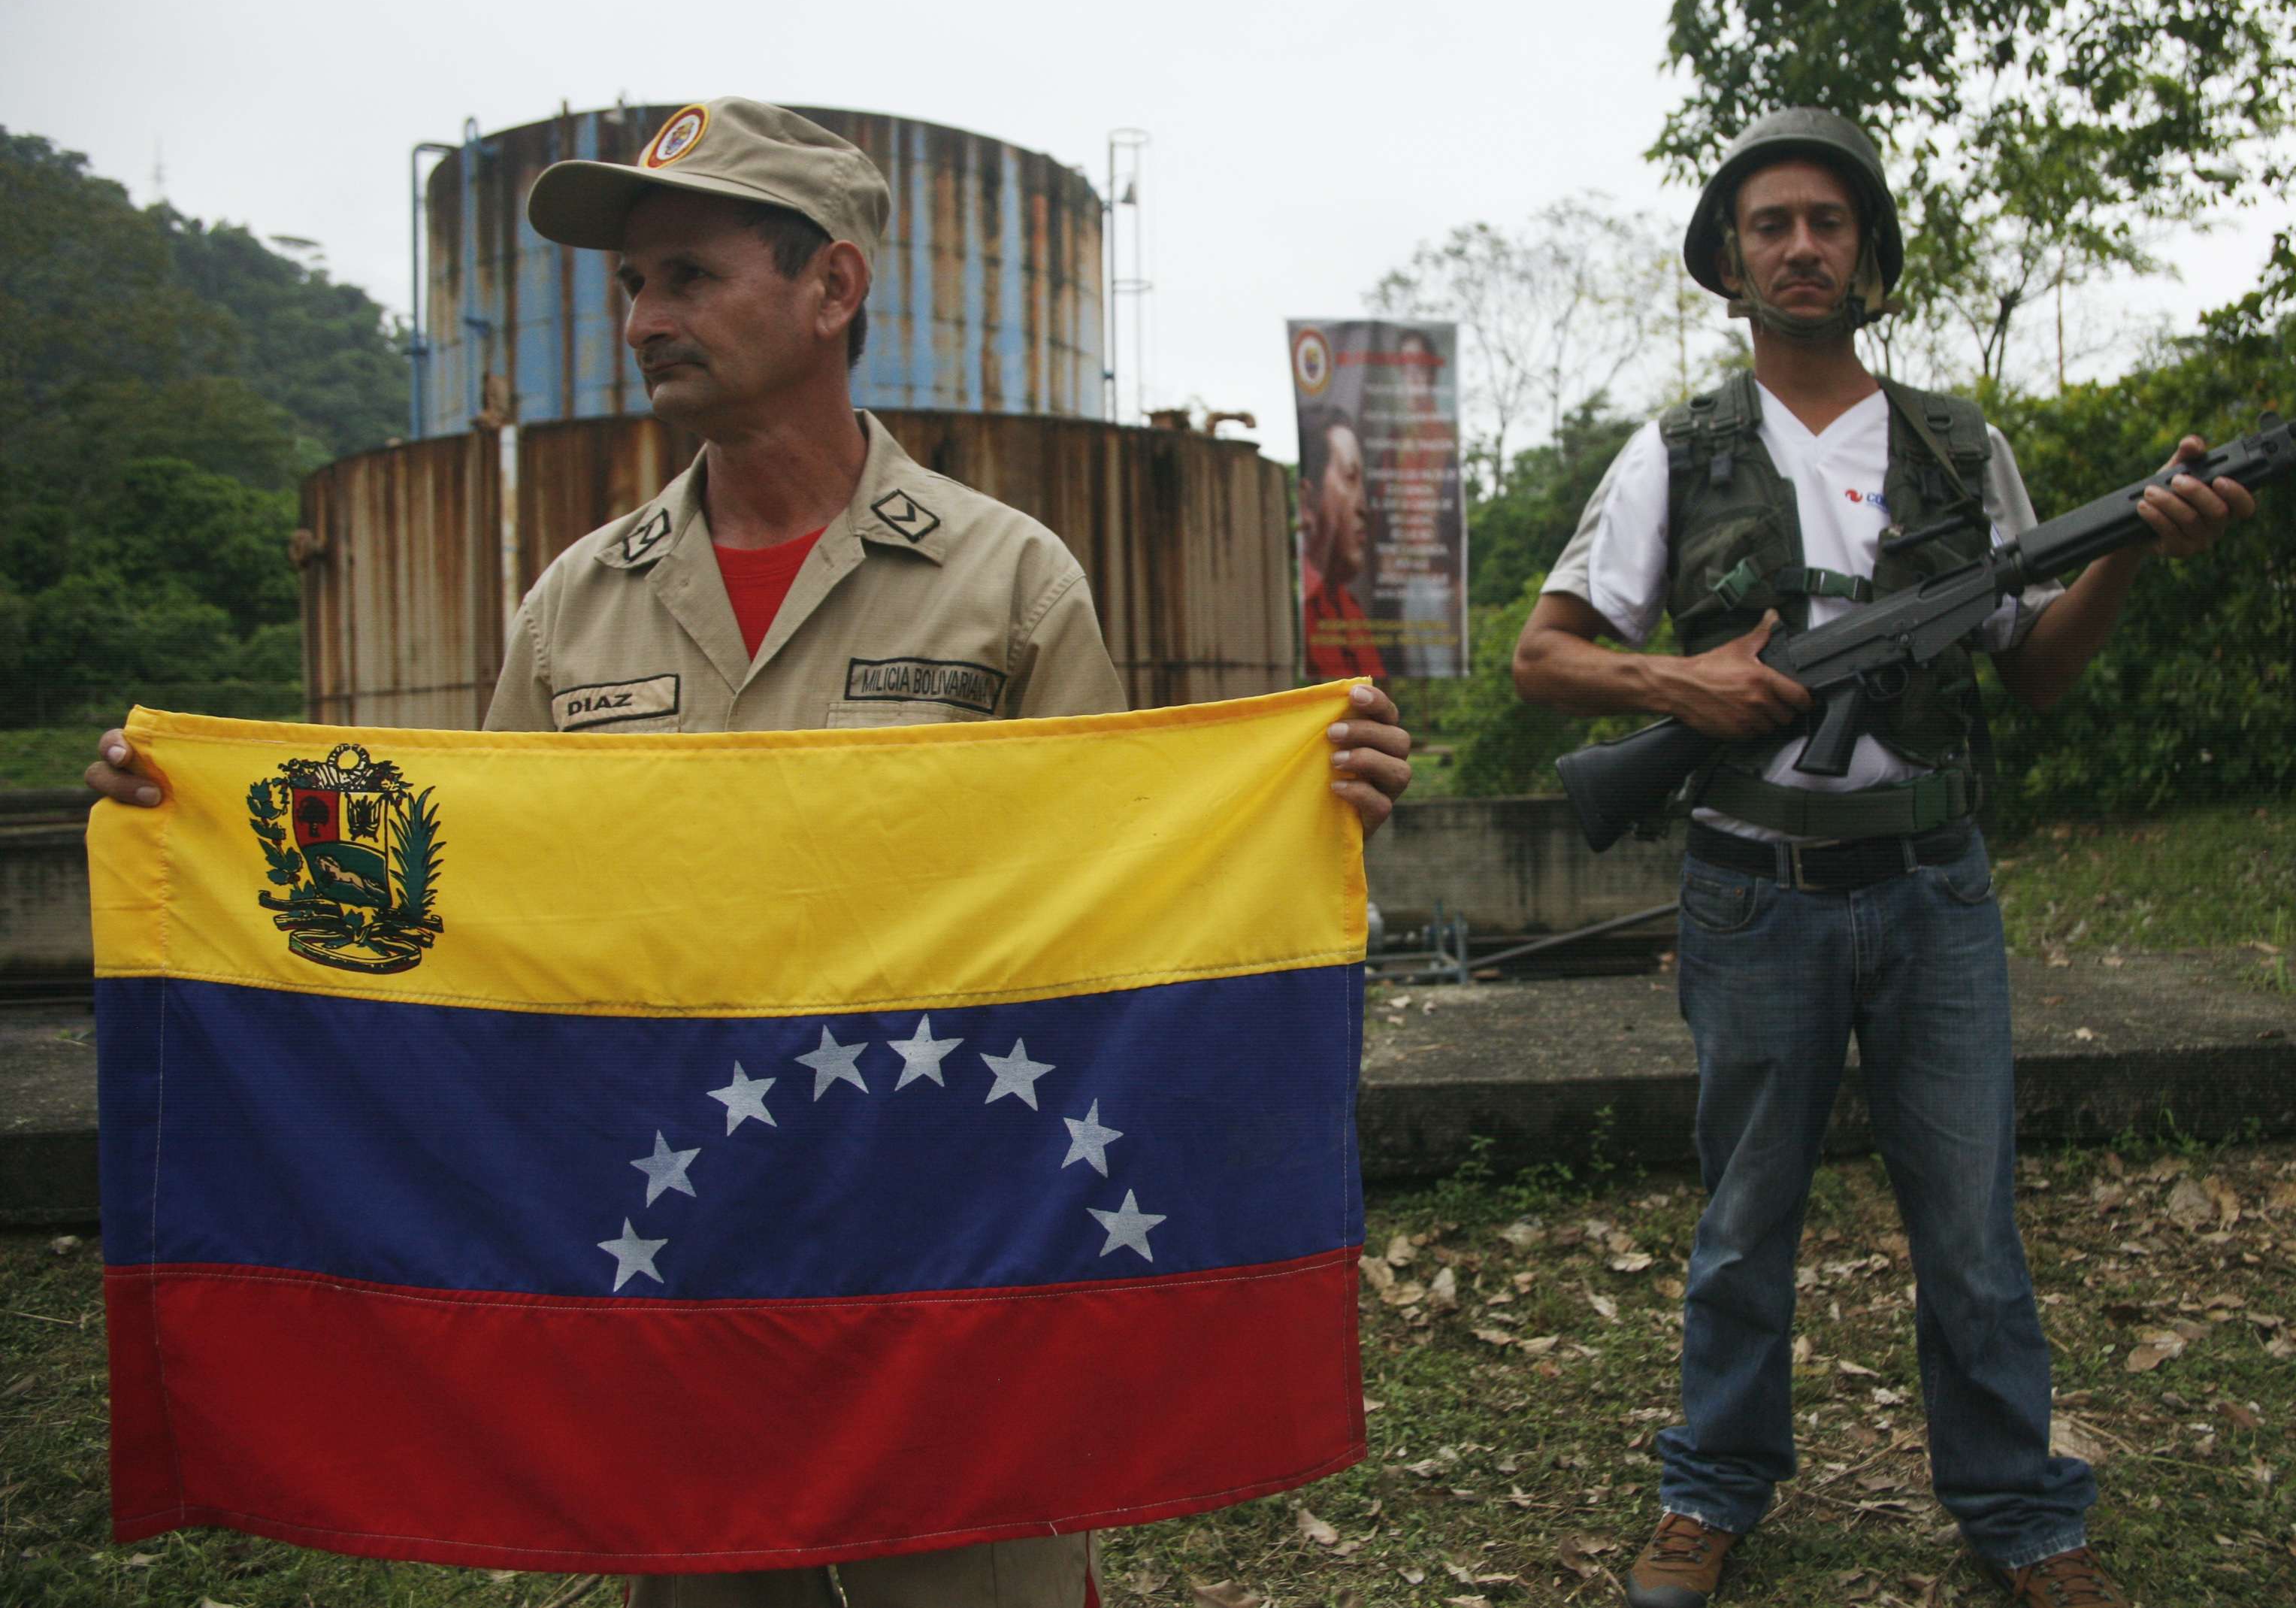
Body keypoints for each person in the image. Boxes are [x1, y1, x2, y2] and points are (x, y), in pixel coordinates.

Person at [86, 96, 1416, 1608]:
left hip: (948, 1268)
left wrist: (1293, 799)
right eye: (632, 285)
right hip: (676, 1274)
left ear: (831, 289)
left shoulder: (1006, 583)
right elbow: (477, 926)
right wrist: (195, 833)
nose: (645, 317)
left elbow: (1107, 923)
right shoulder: (573, 608)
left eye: (688, 276)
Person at [1512, 109, 2252, 1608]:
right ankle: (1709, 1490)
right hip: (1750, 892)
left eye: (1828, 223)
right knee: (1740, 1227)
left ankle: (2021, 1514)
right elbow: (1543, 657)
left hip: (1932, 891)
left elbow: (2033, 671)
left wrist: (2121, 548)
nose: (1800, 245)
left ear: (1867, 255)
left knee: (1972, 1229)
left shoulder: (1957, 446)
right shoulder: (1678, 451)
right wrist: (1689, 686)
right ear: (1731, 261)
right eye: (1771, 224)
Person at [1299, 407, 1385, 679]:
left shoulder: (1349, 610)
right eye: (1350, 478)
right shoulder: (1285, 610)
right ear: (1306, 501)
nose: (1363, 507)